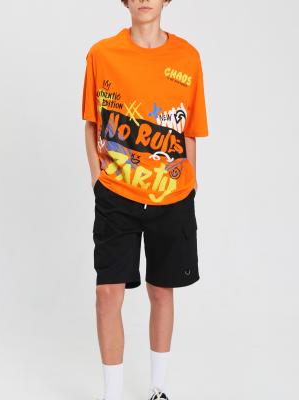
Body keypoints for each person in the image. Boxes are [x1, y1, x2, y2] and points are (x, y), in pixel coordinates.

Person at [81, 1, 209, 399]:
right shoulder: (102, 54)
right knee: (107, 293)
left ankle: (158, 388)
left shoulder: (187, 58)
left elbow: (189, 130)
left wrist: (190, 183)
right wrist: (98, 181)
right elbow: (92, 123)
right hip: (116, 194)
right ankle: (112, 394)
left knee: (161, 289)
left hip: (172, 196)